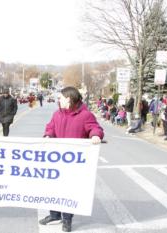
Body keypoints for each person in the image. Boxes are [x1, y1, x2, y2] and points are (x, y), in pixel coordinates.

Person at [39, 86, 104, 232]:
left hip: (73, 161)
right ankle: (54, 214)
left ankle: (67, 220)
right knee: (54, 189)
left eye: (61, 97)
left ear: (68, 99)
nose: (58, 100)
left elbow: (95, 128)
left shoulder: (85, 115)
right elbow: (50, 127)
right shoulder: (57, 114)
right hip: (56, 159)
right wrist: (48, 135)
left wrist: (95, 135)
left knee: (68, 190)